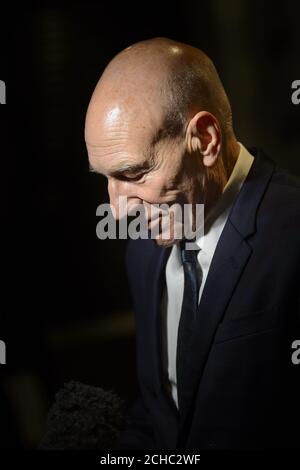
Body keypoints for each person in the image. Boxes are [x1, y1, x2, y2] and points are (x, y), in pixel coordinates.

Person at [85, 37, 300, 450]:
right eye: (105, 178)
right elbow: (161, 414)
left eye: (133, 173)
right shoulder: (144, 252)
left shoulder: (292, 237)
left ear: (205, 139)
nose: (117, 211)